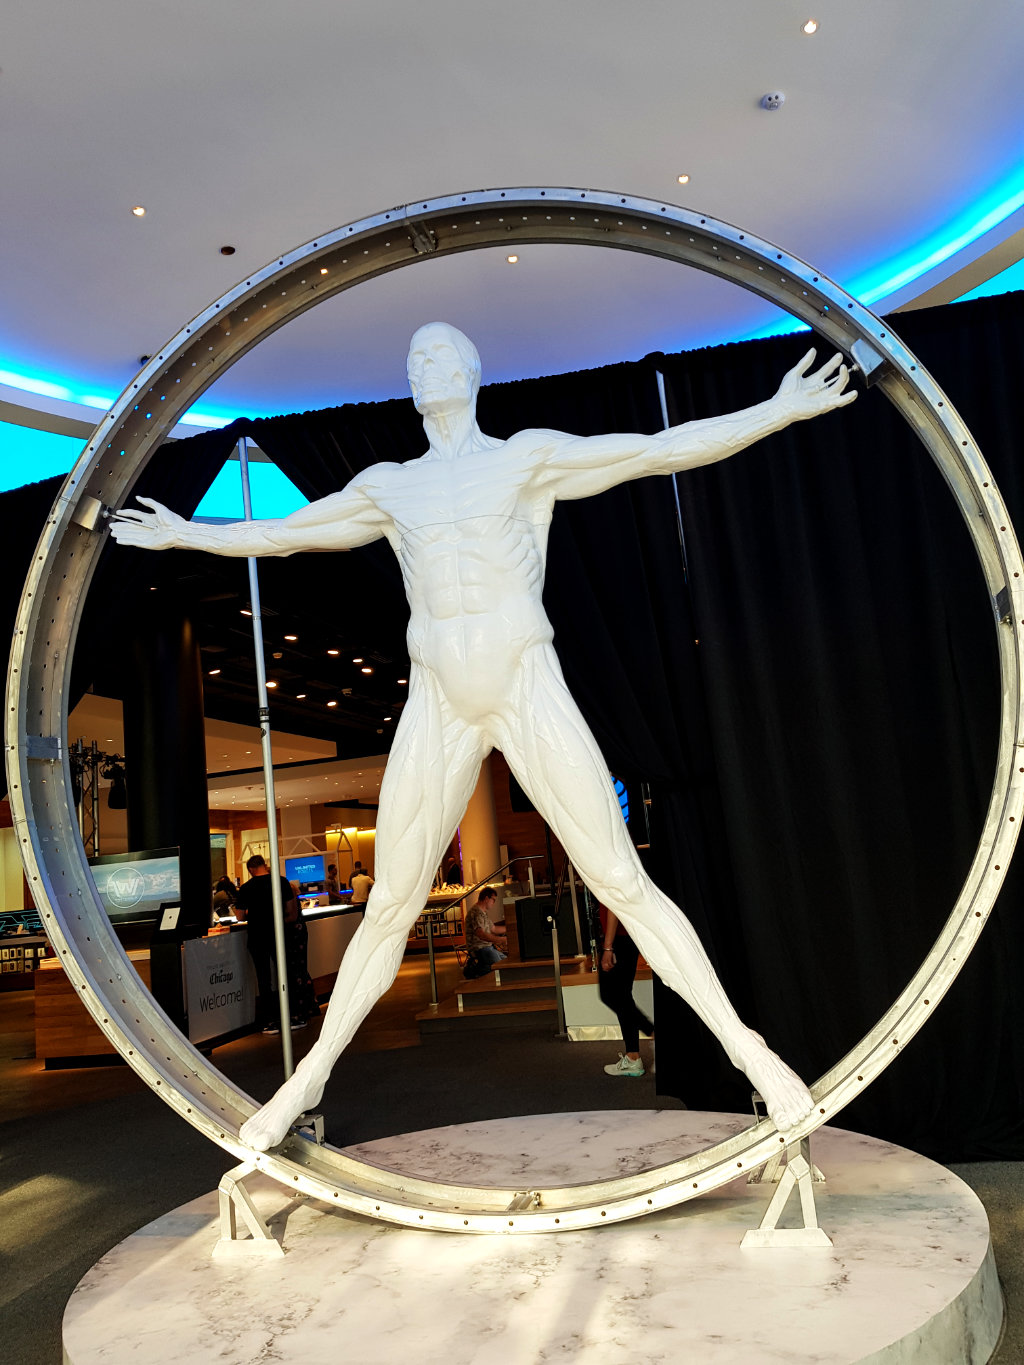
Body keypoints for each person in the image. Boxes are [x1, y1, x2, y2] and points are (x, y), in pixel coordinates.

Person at [110, 321, 856, 1150]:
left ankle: (753, 1055)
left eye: (438, 354)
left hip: (524, 680)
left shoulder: (524, 459)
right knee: (389, 903)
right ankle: (304, 1082)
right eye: (413, 357)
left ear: (470, 372)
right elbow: (286, 533)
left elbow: (657, 450)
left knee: (620, 878)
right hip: (439, 695)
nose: (423, 365)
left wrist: (777, 411)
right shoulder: (391, 486)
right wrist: (184, 533)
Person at [233, 854, 301, 1033]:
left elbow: (239, 916)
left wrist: (253, 913)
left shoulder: (246, 888)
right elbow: (291, 911)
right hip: (279, 934)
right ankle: (293, 1016)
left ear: (250, 870)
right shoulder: (282, 882)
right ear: (264, 865)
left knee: (264, 979)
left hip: (257, 936)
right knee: (286, 974)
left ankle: (270, 1021)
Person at [598, 906, 654, 1078]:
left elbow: (613, 905)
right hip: (623, 936)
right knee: (621, 996)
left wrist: (608, 947)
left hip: (618, 938)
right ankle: (632, 1056)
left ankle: (650, 1037)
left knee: (612, 995)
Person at [463, 886, 507, 972]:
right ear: (486, 898)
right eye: (493, 900)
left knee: (506, 961)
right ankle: (476, 970)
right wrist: (501, 939)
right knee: (501, 967)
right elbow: (481, 935)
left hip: (487, 947)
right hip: (480, 949)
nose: (493, 903)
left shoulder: (483, 913)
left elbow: (493, 929)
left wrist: (510, 929)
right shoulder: (476, 913)